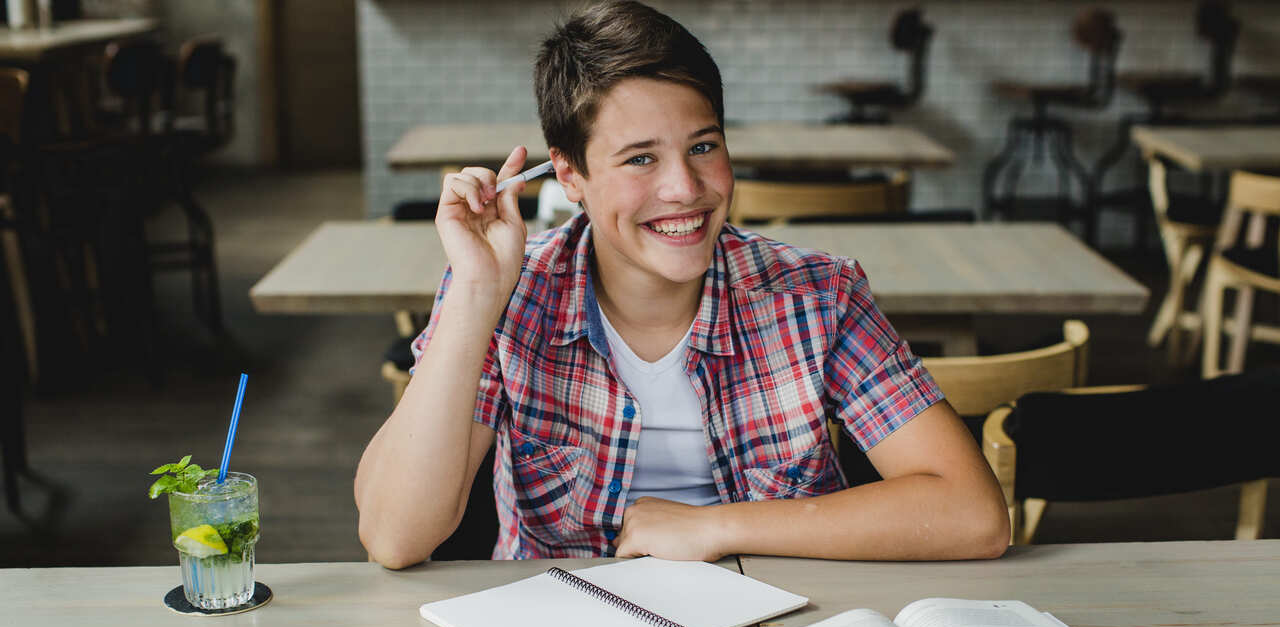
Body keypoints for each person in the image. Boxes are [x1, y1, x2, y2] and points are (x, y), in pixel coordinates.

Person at [355, 0, 1009, 568]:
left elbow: (975, 514)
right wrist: (475, 292)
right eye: (641, 158)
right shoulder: (504, 295)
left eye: (703, 146)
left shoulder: (817, 296)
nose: (684, 190)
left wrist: (713, 527)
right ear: (569, 175)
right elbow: (393, 535)